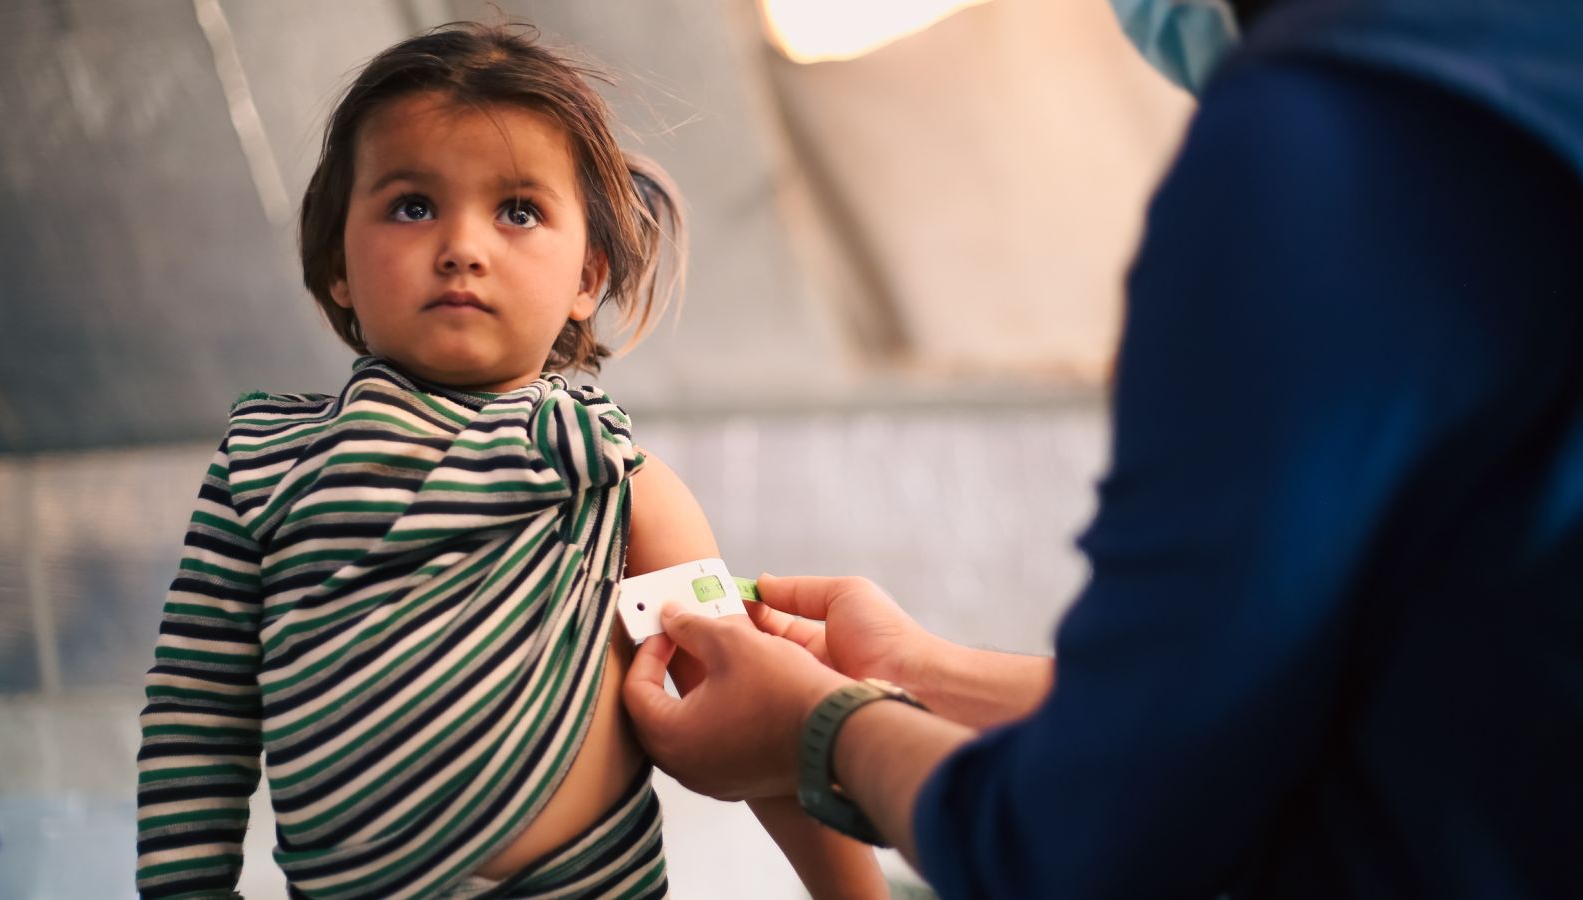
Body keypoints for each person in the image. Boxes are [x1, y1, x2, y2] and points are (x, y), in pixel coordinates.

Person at [624, 0, 1583, 896]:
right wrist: (919, 673)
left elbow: (1089, 839)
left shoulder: (1325, 142)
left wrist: (820, 733)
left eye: (522, 209)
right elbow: (1259, 705)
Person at [134, 22, 883, 900]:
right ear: (338, 259)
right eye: (412, 205)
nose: (463, 245)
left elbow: (753, 706)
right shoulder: (265, 462)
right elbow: (197, 714)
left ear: (585, 280)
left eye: (518, 210)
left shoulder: (609, 473)